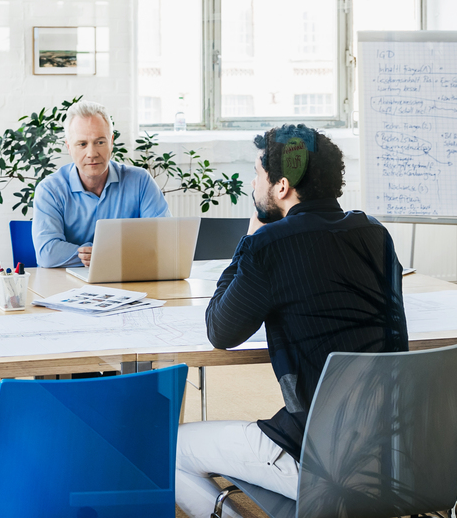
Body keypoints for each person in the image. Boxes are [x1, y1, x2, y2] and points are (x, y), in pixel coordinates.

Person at [172, 125, 408, 518]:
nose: (253, 183)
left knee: (170, 447)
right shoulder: (376, 233)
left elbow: (220, 330)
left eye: (257, 173)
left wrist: (247, 242)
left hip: (320, 458)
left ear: (281, 186)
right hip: (394, 454)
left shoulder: (268, 246)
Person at [31, 100, 170, 268]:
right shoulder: (50, 190)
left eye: (100, 142)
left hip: (128, 282)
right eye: (82, 144)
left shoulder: (140, 181)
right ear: (69, 147)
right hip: (65, 286)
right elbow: (48, 254)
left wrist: (102, 253)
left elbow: (163, 240)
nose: (92, 153)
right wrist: (101, 253)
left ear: (111, 142)